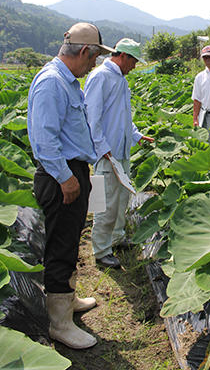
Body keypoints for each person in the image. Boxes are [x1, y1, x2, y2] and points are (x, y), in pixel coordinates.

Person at [27, 22, 116, 349]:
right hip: (59, 175)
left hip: (73, 171)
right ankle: (59, 323)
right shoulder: (52, 83)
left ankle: (67, 300)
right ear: (83, 52)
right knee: (60, 245)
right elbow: (43, 140)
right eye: (93, 59)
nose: (93, 65)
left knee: (69, 239)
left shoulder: (67, 82)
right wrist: (66, 178)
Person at [84, 39, 154, 269]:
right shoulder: (100, 77)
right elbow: (91, 118)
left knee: (122, 197)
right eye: (133, 61)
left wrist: (136, 135)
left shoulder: (121, 80)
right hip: (107, 153)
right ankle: (102, 250)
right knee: (105, 202)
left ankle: (116, 237)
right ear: (123, 56)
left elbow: (123, 117)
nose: (134, 66)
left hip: (121, 150)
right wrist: (102, 148)